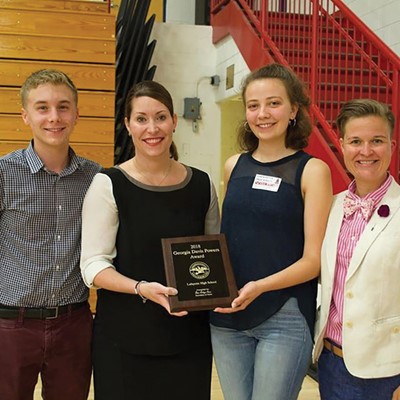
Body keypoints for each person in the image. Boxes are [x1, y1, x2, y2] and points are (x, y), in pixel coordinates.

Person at [80, 80, 220, 400]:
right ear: (128, 125)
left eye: (160, 117)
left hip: (189, 340)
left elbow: (212, 254)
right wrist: (142, 288)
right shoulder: (108, 183)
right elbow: (93, 265)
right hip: (123, 341)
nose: (152, 128)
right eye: (141, 119)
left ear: (173, 120)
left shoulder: (202, 184)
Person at [209, 63, 333, 400]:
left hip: (285, 315)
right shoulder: (233, 165)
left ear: (293, 109)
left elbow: (313, 261)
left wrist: (259, 287)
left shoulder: (312, 171)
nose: (263, 113)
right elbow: (229, 240)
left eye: (274, 103)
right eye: (253, 105)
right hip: (228, 316)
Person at [0, 69, 102, 400]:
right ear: (25, 115)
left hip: (74, 324)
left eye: (63, 106)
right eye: (42, 107)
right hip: (11, 325)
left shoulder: (96, 177)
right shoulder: (4, 174)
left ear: (76, 112)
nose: (54, 117)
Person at [313, 99, 400, 400]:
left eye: (376, 141)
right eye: (355, 141)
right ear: (341, 145)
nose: (365, 151)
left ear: (392, 145)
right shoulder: (332, 205)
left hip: (386, 372)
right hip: (331, 362)